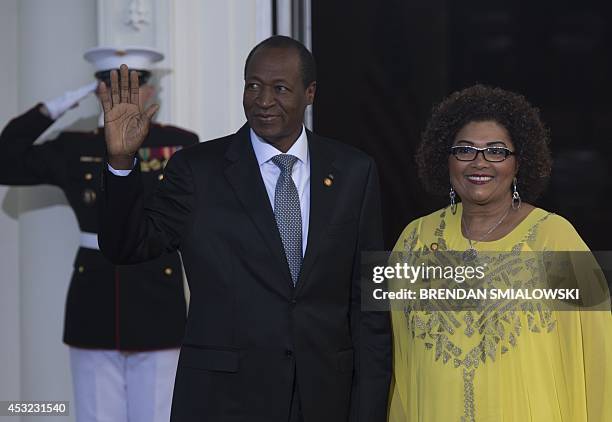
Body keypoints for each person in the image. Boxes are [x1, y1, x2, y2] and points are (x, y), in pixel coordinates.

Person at [97, 35, 391, 422]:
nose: (263, 100)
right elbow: (127, 246)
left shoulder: (356, 171)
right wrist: (121, 162)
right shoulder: (197, 170)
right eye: (253, 85)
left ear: (310, 93)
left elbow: (371, 299)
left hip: (326, 398)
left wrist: (369, 410)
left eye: (280, 88)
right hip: (223, 401)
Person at [387, 84, 612, 421]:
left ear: (518, 162)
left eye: (496, 151)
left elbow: (597, 356)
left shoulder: (554, 238)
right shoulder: (414, 240)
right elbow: (400, 363)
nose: (479, 162)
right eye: (464, 150)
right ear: (445, 159)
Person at [0, 47, 198, 422]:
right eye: (109, 85)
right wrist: (60, 104)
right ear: (96, 91)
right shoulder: (74, 146)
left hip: (157, 295)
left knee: (158, 414)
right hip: (95, 301)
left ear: (151, 91)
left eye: (133, 84)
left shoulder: (179, 144)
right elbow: (5, 159)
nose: (121, 94)